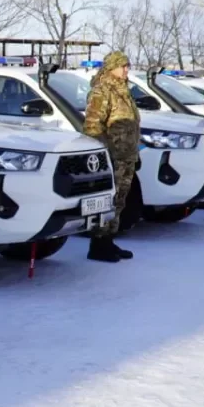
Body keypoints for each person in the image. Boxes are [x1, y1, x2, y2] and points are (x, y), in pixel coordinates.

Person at [81, 51, 140, 263]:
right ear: (111, 67)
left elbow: (131, 123)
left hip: (126, 155)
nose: (126, 70)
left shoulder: (124, 91)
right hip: (112, 156)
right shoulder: (102, 91)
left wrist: (134, 151)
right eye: (123, 66)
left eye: (127, 66)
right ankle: (98, 245)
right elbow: (93, 127)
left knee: (120, 200)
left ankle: (108, 240)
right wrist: (104, 156)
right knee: (108, 200)